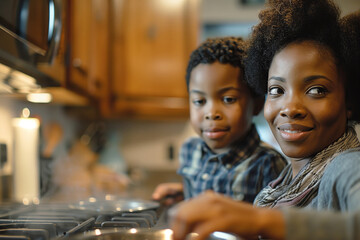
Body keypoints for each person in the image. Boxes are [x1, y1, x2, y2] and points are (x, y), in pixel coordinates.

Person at [169, 2, 360, 240]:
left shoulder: (348, 166)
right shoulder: (286, 181)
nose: (290, 108)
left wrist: (258, 219)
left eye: (316, 90)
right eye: (277, 90)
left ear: (349, 100)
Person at [152, 37, 288, 204]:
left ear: (257, 104)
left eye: (228, 99)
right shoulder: (190, 151)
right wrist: (184, 193)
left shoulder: (268, 164)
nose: (211, 113)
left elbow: (275, 222)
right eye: (199, 101)